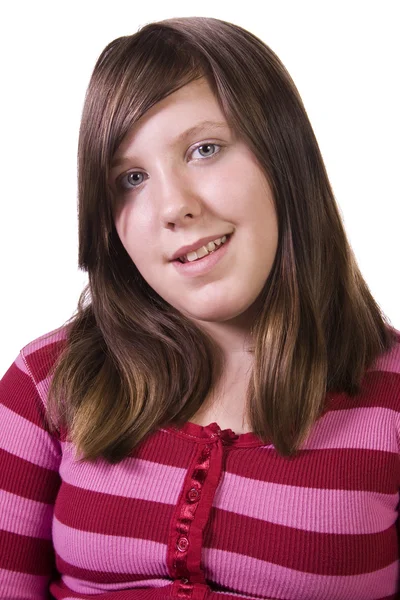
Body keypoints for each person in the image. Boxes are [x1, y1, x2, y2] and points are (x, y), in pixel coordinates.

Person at [0, 16, 399, 600]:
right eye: (130, 178)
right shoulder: (44, 386)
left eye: (204, 149)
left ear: (283, 156)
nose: (172, 207)